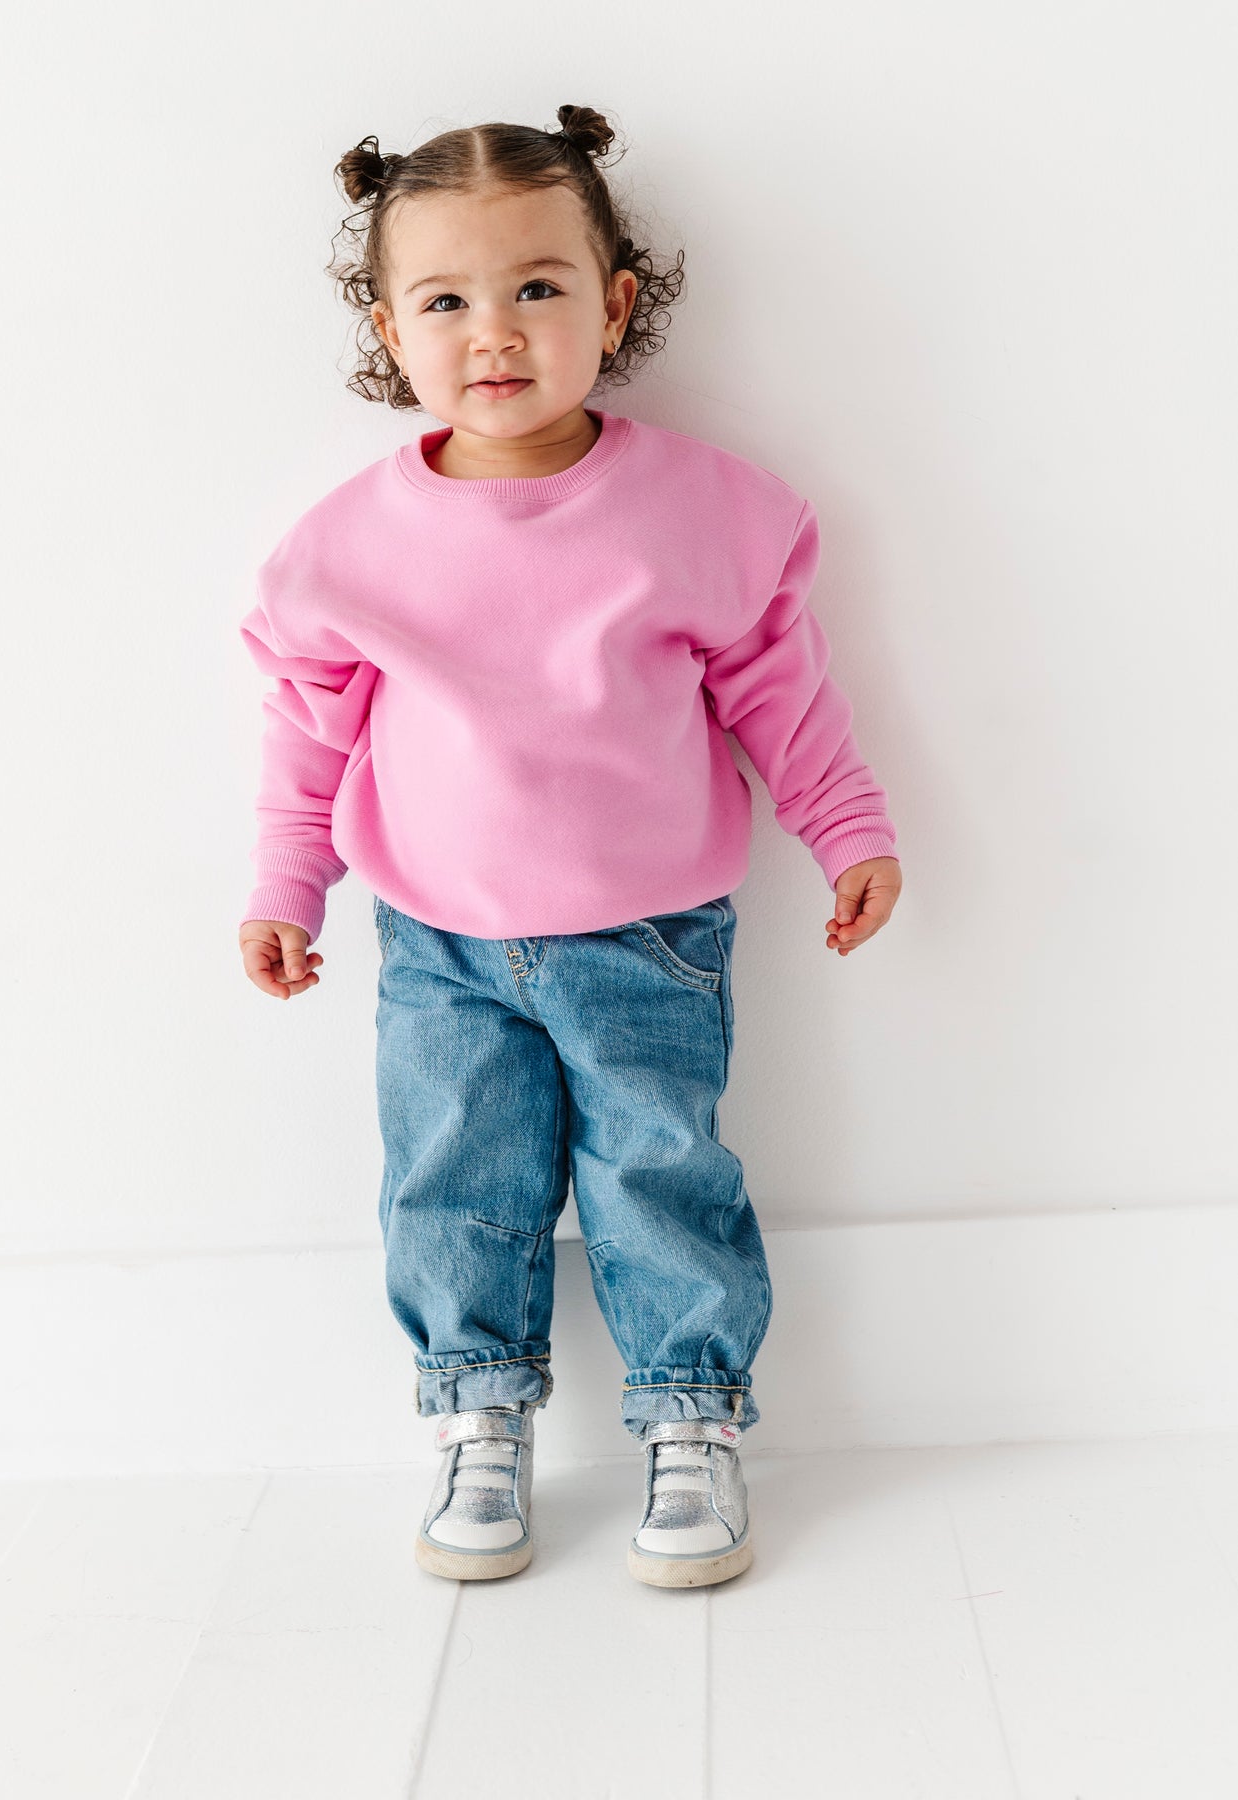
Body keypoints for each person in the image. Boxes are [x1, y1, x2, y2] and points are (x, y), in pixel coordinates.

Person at [236, 105, 903, 1589]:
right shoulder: (346, 546)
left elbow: (780, 691)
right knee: (451, 1180)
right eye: (445, 299)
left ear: (614, 303)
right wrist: (288, 884)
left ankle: (692, 1417)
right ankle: (477, 1412)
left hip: (647, 933)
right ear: (388, 327)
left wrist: (846, 824)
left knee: (659, 1174)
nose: (494, 332)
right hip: (437, 939)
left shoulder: (702, 511)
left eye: (538, 286)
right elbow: (307, 728)